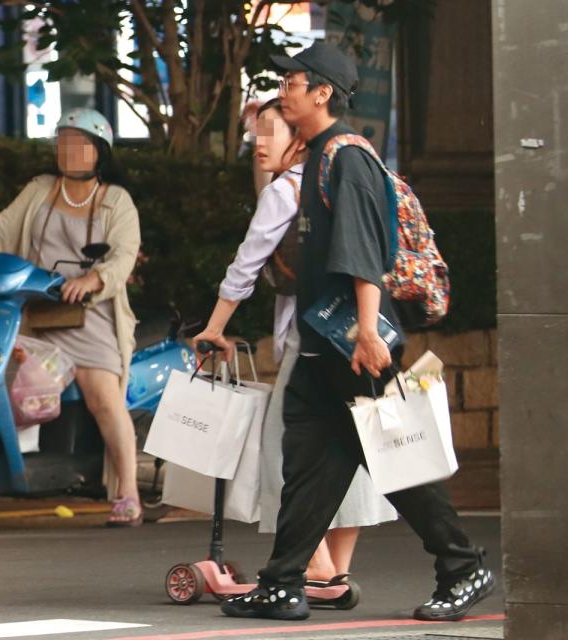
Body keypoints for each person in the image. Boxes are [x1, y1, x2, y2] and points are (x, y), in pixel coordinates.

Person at [220, 42, 495, 623]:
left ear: (322, 92)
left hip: (354, 345)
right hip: (326, 345)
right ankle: (283, 582)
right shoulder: (318, 155)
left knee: (398, 462)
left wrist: (369, 330)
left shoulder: (349, 158)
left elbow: (364, 252)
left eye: (293, 80)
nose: (285, 89)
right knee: (308, 468)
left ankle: (463, 568)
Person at [192, 98, 396, 589]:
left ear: (300, 137)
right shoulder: (336, 182)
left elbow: (246, 265)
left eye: (270, 132)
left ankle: (317, 563)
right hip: (356, 336)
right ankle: (335, 568)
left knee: (283, 448)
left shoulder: (286, 190)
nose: (258, 144)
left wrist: (215, 327)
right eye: (255, 133)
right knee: (350, 446)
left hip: (311, 338)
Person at [0, 108, 144, 527]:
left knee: (102, 396)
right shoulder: (40, 189)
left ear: (99, 151)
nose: (68, 150)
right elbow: (1, 228)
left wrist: (93, 279)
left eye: (79, 142)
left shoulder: (116, 200)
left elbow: (123, 254)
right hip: (34, 312)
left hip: (90, 315)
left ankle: (129, 492)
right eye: (62, 141)